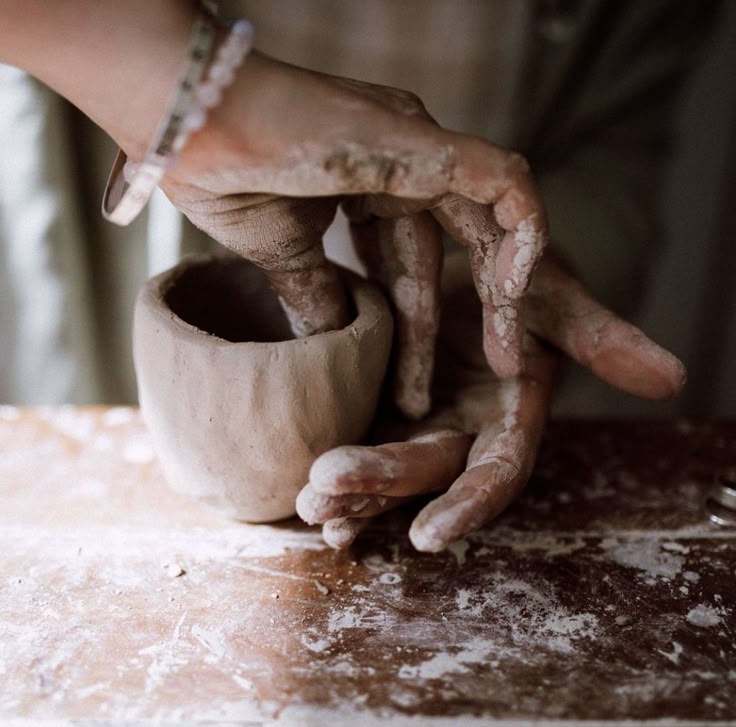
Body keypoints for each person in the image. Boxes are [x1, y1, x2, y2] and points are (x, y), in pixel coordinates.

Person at [0, 0, 711, 550]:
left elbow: (619, 133)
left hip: (447, 295)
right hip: (105, 239)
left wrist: (515, 272)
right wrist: (177, 89)